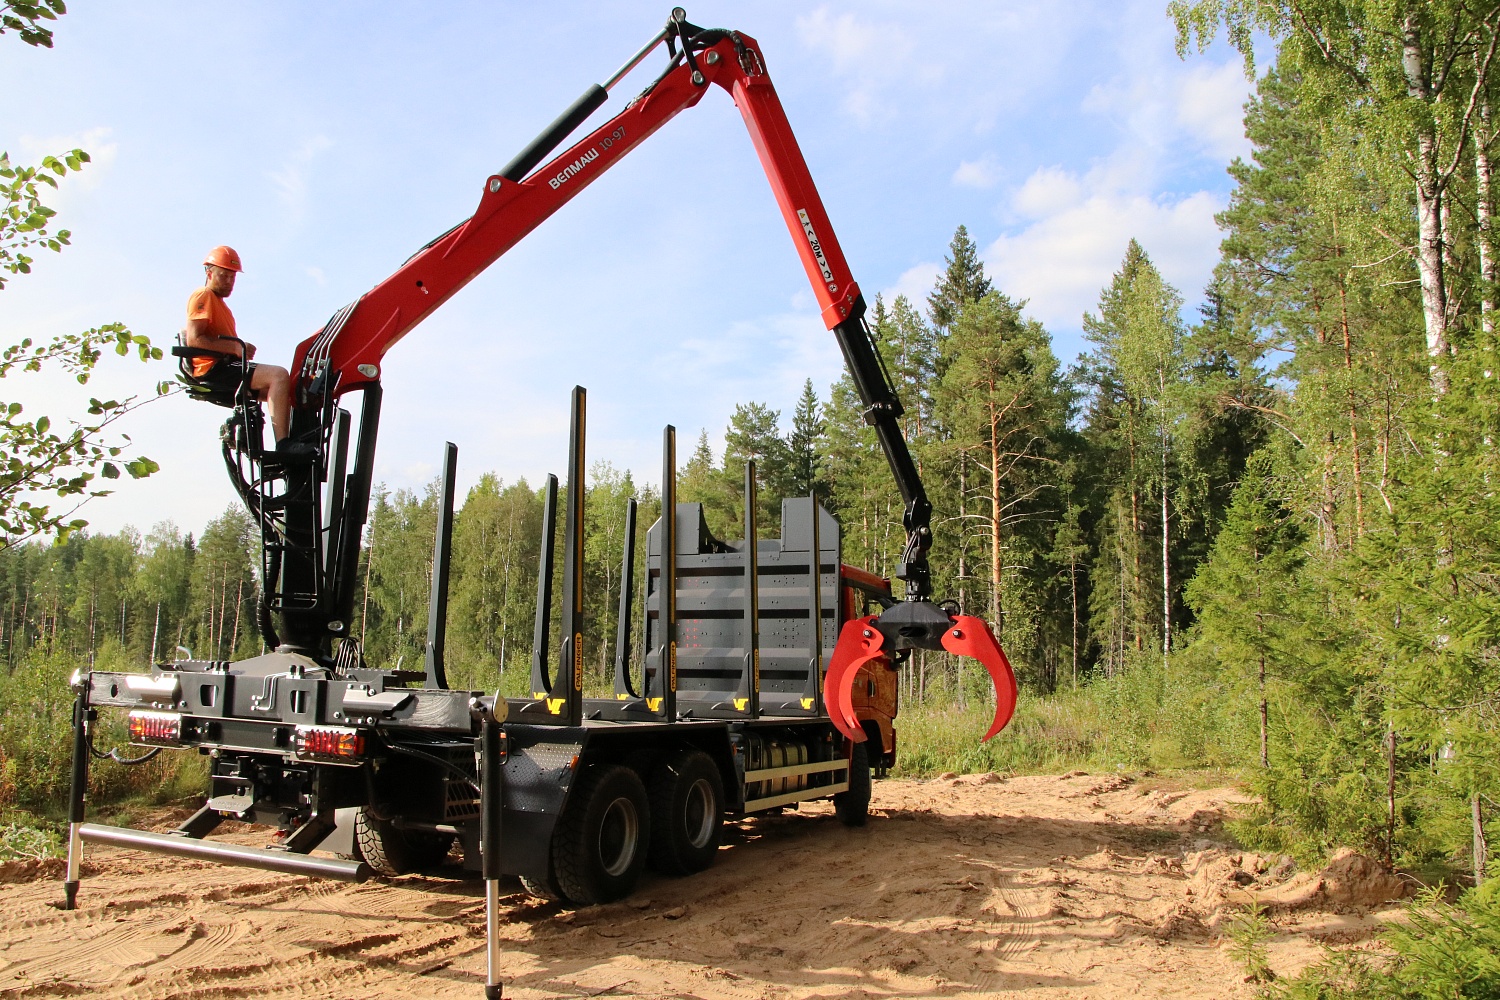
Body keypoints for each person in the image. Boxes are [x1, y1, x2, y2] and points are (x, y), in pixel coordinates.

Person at [184, 246, 309, 458]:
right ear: (209, 273)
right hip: (213, 369)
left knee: (290, 391)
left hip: (224, 365)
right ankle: (284, 444)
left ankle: (297, 442)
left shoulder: (222, 307)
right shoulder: (203, 295)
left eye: (232, 277)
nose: (229, 282)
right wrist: (235, 347)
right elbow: (194, 339)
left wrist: (236, 347)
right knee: (279, 376)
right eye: (223, 276)